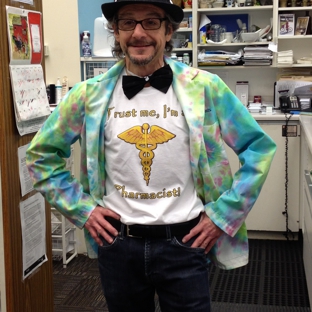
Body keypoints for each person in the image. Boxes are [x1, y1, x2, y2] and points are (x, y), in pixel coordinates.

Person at [26, 0, 276, 311]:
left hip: (186, 241)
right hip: (118, 244)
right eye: (128, 23)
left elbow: (259, 148)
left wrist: (223, 214)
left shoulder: (205, 88)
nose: (139, 33)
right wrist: (83, 210)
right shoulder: (88, 96)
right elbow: (40, 156)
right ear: (116, 32)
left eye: (151, 23)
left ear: (169, 30)